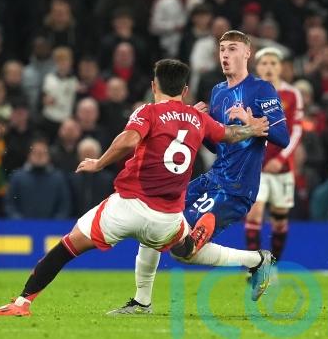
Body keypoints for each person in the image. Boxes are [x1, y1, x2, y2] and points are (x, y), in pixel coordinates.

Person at [0, 59, 274, 316]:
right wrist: (253, 129)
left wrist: (99, 163)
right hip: (167, 218)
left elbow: (128, 140)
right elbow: (230, 134)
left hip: (128, 206)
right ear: (185, 90)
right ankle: (250, 259)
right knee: (183, 251)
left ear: (154, 86)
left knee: (68, 246)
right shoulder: (198, 118)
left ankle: (22, 303)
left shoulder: (148, 111)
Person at [111, 30, 290, 315]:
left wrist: (252, 121)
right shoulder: (218, 91)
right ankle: (141, 302)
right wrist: (199, 123)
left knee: (182, 248)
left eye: (232, 49)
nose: (225, 55)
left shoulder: (262, 89)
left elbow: (283, 137)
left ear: (247, 53)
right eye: (222, 49)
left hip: (236, 187)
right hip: (212, 178)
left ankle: (257, 260)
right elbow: (216, 144)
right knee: (155, 224)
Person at [244, 47, 303, 271]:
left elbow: (297, 130)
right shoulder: (249, 92)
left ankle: (273, 266)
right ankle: (255, 267)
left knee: (280, 220)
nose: (269, 67)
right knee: (255, 213)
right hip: (256, 165)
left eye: (273, 63)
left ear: (281, 68)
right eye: (264, 63)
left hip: (282, 168)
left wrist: (282, 157)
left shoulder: (292, 94)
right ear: (257, 67)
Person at [4, 138, 72, 219]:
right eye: (35, 153)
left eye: (43, 153)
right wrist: (20, 222)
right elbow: (10, 204)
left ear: (49, 156)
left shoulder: (58, 178)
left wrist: (55, 223)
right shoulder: (17, 177)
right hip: (22, 226)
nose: (39, 156)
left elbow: (64, 206)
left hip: (52, 226)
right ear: (29, 155)